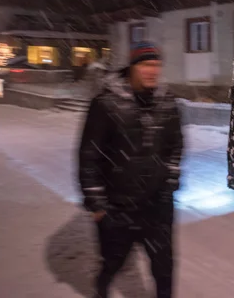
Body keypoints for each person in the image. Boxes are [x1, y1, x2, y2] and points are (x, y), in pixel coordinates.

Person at [78, 41, 184, 298]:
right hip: (117, 206)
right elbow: (89, 155)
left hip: (157, 206)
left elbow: (176, 145)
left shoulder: (167, 103)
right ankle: (101, 291)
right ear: (132, 67)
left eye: (157, 65)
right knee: (112, 264)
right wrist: (97, 204)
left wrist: (170, 177)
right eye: (146, 65)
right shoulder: (106, 104)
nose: (153, 71)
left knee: (164, 268)